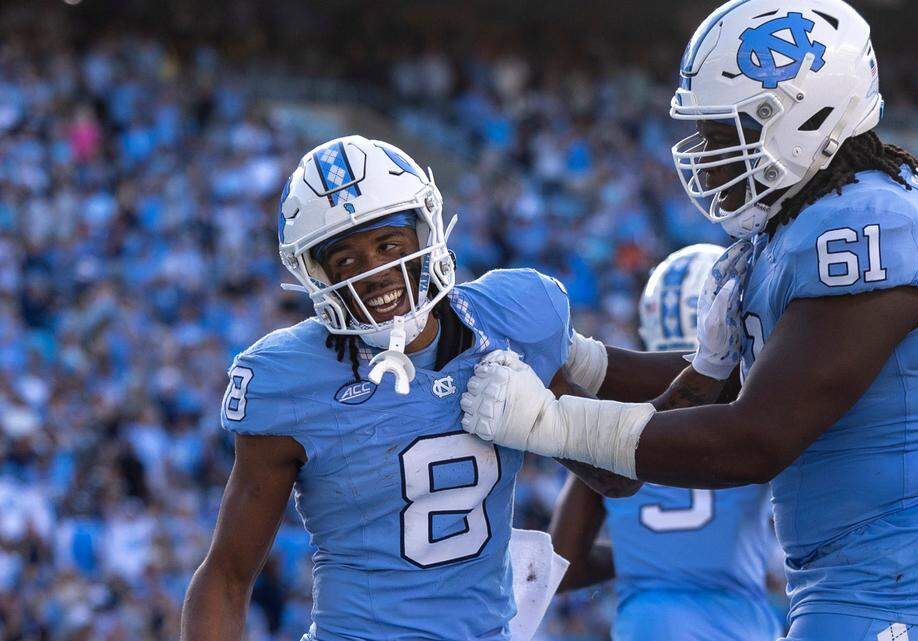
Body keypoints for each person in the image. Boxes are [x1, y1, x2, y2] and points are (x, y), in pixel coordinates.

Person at [458, 1, 918, 640]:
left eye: (729, 131)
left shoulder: (869, 226)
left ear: (808, 118)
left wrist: (552, 421)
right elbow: (666, 431)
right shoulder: (791, 230)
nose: (708, 154)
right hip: (866, 578)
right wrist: (573, 365)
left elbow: (756, 438)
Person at [180, 135, 637, 641]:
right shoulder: (286, 378)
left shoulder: (510, 317)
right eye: (346, 262)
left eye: (389, 245)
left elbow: (620, 479)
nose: (374, 272)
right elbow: (226, 575)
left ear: (427, 235)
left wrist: (552, 425)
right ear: (314, 274)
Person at [549, 244, 782, 641]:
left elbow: (562, 565)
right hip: (739, 624)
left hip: (648, 624)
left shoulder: (615, 418)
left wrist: (644, 560)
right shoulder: (761, 415)